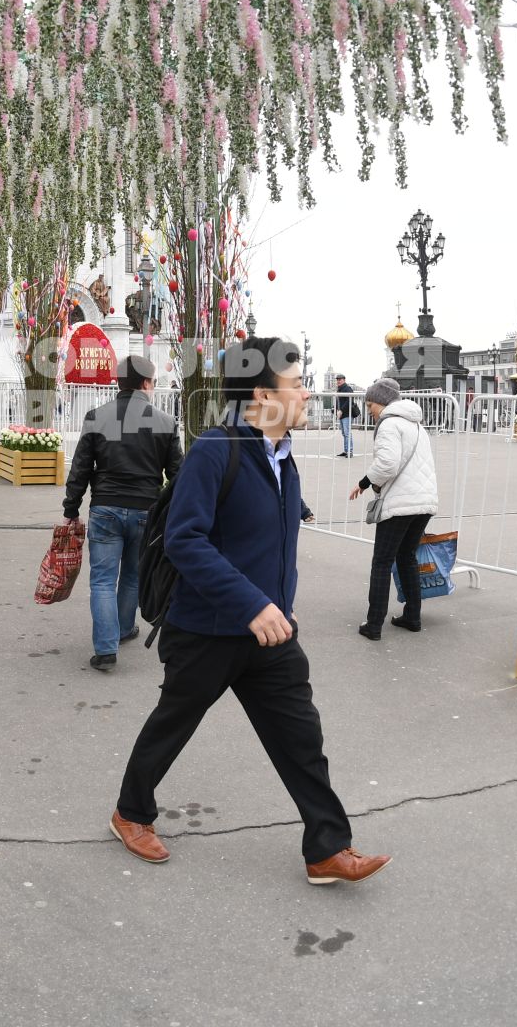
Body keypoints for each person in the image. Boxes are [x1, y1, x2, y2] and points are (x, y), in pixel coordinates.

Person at [110, 336, 389, 885]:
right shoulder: (215, 450)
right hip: (208, 630)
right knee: (174, 724)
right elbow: (185, 541)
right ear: (263, 393)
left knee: (301, 738)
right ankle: (130, 812)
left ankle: (328, 849)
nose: (307, 392)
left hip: (271, 634)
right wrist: (252, 603)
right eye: (297, 383)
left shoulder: (285, 462)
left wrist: (277, 607)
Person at [62, 354, 184, 670]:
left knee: (102, 580)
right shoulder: (166, 422)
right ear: (145, 383)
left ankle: (105, 649)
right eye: (154, 382)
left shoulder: (96, 416)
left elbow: (80, 468)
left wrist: (71, 508)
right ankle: (125, 628)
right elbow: (178, 475)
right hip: (146, 509)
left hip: (105, 508)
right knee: (132, 574)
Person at [348, 377, 439, 638]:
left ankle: (373, 624)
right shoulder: (417, 425)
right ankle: (412, 616)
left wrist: (365, 482)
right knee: (406, 557)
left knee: (382, 562)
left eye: (370, 405)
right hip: (424, 502)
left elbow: (388, 464)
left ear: (381, 402)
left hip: (401, 503)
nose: (369, 411)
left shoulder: (389, 424)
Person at [333, 373, 357, 457]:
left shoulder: (347, 388)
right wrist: (336, 410)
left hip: (347, 414)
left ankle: (349, 451)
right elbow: (338, 402)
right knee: (344, 433)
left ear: (344, 380)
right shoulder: (339, 389)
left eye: (340, 379)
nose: (338, 381)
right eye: (337, 379)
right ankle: (346, 451)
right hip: (342, 414)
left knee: (347, 433)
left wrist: (341, 411)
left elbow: (349, 401)